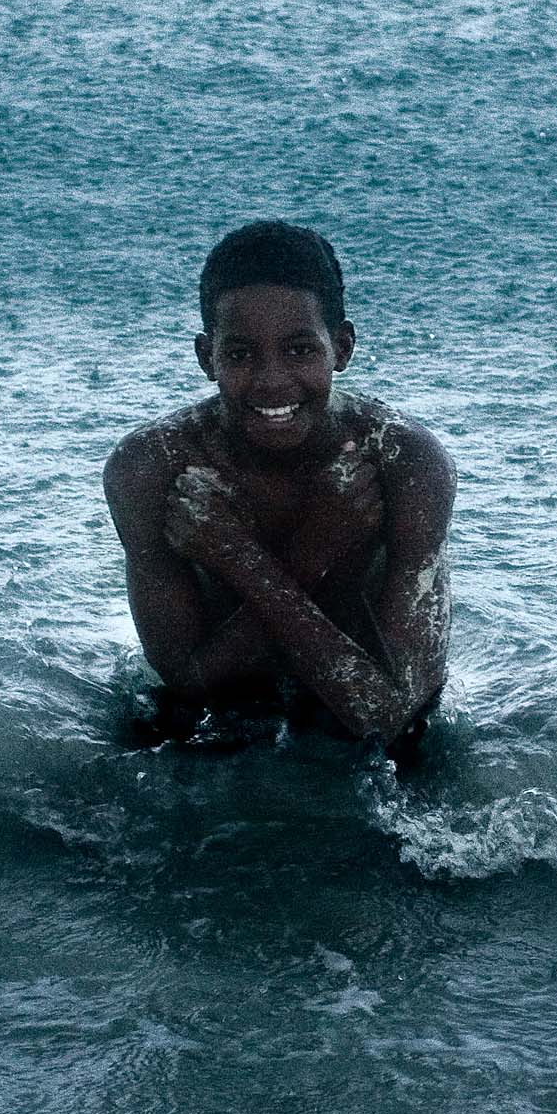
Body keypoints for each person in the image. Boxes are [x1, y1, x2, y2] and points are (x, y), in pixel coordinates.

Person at [104, 221, 453, 750]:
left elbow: (389, 715)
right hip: (224, 719)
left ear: (341, 347)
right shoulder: (152, 467)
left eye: (298, 351)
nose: (270, 380)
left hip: (366, 728)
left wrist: (247, 557)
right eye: (240, 355)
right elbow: (188, 685)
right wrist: (314, 551)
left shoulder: (403, 462)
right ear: (207, 357)